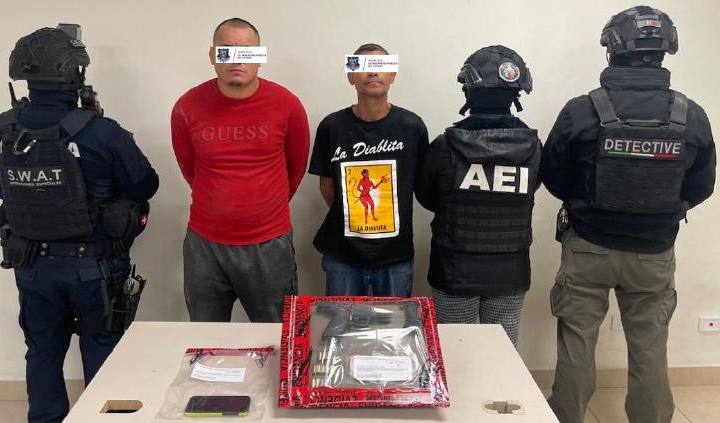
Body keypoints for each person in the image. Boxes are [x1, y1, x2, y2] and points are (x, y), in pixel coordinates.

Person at [541, 6, 715, 423]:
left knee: (577, 342)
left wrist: (587, 206)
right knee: (650, 347)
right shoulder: (690, 114)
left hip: (588, 247)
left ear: (612, 48)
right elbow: (701, 186)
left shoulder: (581, 110)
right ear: (666, 48)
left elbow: (553, 174)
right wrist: (662, 212)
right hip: (653, 255)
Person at [0, 25, 159, 423]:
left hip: (30, 265)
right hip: (92, 267)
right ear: (75, 72)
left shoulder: (2, 132)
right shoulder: (102, 132)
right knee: (102, 348)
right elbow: (145, 184)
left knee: (42, 351)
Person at [171, 18, 309, 322]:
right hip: (205, 245)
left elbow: (296, 167)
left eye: (246, 51)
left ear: (259, 57)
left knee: (277, 334)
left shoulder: (287, 105)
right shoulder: (186, 106)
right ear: (212, 56)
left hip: (269, 244)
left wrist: (261, 210)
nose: (236, 59)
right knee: (206, 335)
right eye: (226, 50)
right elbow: (189, 166)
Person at [416, 45, 540, 346]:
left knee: (457, 354)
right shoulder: (534, 147)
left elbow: (427, 197)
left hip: (454, 271)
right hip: (510, 271)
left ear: (468, 90)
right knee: (503, 353)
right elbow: (531, 188)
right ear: (516, 94)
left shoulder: (444, 146)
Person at [309, 43, 429, 297]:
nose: (372, 72)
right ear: (351, 76)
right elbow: (327, 186)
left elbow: (420, 185)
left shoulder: (412, 126)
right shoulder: (331, 127)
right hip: (343, 255)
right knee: (341, 322)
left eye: (380, 66)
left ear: (392, 74)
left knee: (394, 323)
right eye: (364, 66)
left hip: (395, 256)